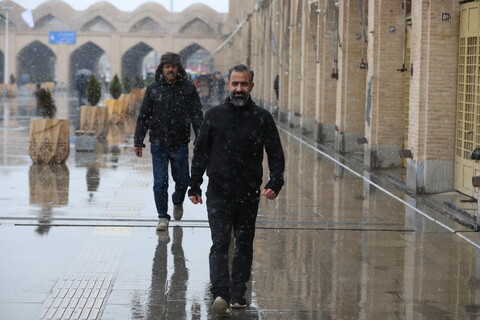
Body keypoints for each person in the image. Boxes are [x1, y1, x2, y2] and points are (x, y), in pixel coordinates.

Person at [188, 64, 285, 315]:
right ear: (227, 85)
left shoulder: (262, 117)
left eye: (244, 84)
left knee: (244, 243)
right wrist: (194, 184)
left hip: (248, 191)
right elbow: (200, 152)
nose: (239, 89)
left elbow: (275, 152)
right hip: (219, 190)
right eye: (235, 84)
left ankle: (239, 293)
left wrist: (275, 182)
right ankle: (221, 293)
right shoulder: (215, 115)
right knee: (220, 243)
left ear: (251, 86)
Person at [134, 52, 203, 231]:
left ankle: (177, 200)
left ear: (178, 68)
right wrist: (138, 140)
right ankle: (163, 216)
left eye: (173, 67)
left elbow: (196, 114)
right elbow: (143, 116)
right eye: (167, 67)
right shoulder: (153, 89)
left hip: (180, 142)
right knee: (160, 182)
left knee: (182, 180)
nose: (170, 70)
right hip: (158, 143)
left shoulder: (188, 88)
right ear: (162, 69)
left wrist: (201, 137)